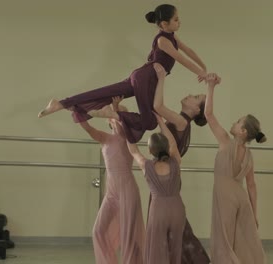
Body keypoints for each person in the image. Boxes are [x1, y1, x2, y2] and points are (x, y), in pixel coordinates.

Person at [38, 4, 207, 143]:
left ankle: (60, 103)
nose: (179, 22)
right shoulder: (163, 40)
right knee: (149, 122)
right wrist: (201, 73)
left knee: (105, 92)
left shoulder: (172, 37)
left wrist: (203, 67)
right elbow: (181, 59)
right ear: (164, 24)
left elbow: (189, 51)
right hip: (146, 78)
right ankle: (113, 114)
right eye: (176, 19)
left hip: (142, 76)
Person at [204, 74, 267, 264]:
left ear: (243, 131)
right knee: (240, 241)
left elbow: (208, 115)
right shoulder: (249, 155)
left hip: (225, 197)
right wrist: (254, 214)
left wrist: (211, 87)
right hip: (241, 198)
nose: (234, 122)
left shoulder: (225, 141)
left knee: (223, 239)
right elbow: (252, 186)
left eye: (238, 121)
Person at [152, 63, 210, 263]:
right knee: (174, 226)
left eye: (195, 97)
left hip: (164, 179)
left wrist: (161, 78)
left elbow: (157, 107)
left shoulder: (181, 121)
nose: (190, 95)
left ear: (196, 109)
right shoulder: (182, 122)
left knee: (169, 227)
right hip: (166, 177)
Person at [75, 103, 145, 264]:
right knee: (98, 231)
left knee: (129, 237)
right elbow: (86, 127)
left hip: (128, 190)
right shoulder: (104, 138)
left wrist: (115, 107)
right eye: (114, 115)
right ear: (108, 120)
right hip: (111, 193)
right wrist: (76, 110)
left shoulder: (129, 137)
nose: (118, 117)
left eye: (122, 115)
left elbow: (123, 127)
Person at [127, 112, 186, 264]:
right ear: (166, 148)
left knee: (156, 250)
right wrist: (160, 120)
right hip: (177, 209)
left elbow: (133, 150)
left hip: (158, 210)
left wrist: (125, 124)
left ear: (150, 150)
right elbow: (172, 143)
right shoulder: (175, 161)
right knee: (175, 249)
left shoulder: (146, 166)